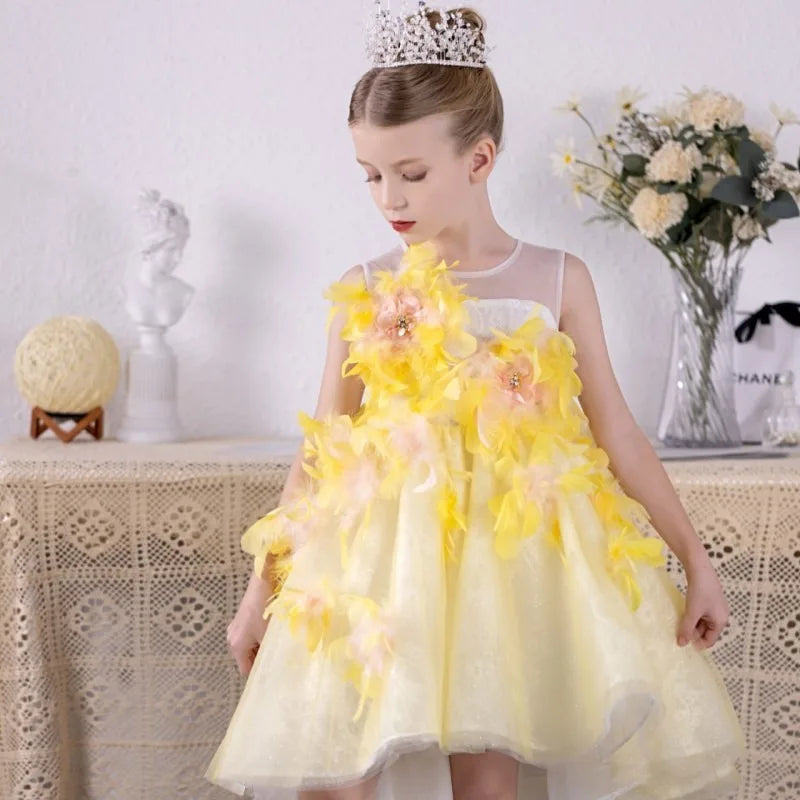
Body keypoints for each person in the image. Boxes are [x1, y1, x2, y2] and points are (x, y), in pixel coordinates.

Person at [206, 5, 745, 799]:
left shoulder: (556, 281)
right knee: (336, 774)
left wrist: (695, 560)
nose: (388, 196)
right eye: (370, 174)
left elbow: (618, 434)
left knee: (488, 785)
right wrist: (261, 593)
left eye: (411, 173)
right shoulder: (367, 289)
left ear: (481, 158)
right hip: (375, 572)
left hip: (504, 572)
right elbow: (320, 458)